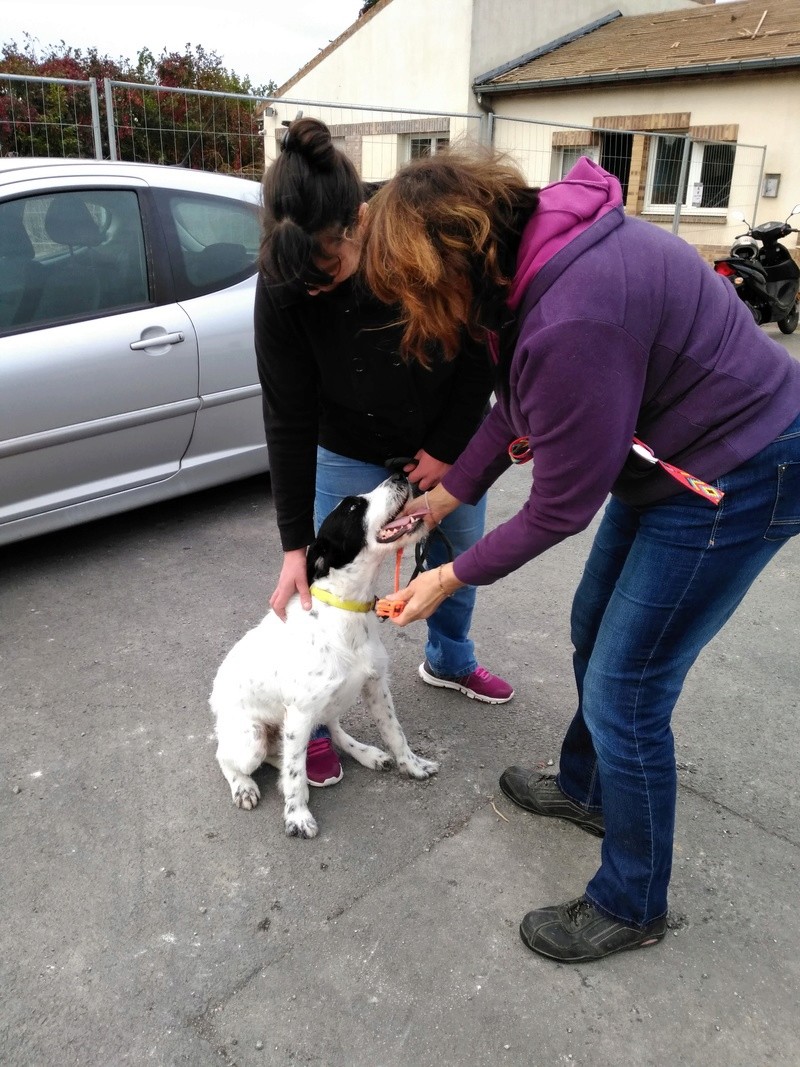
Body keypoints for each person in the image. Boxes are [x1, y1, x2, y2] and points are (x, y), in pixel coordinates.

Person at [361, 146, 800, 963]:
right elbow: (513, 405)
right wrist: (446, 497)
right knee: (594, 625)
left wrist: (449, 575)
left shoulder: (573, 316)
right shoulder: (528, 265)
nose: (423, 317)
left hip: (738, 469)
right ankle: (588, 787)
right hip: (677, 462)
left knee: (628, 688)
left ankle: (632, 899)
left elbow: (563, 502)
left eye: (419, 294)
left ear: (453, 260)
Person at [254, 118, 514, 788]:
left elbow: (477, 340)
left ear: (359, 221)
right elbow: (286, 415)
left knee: (459, 552)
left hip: (438, 441)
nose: (316, 293)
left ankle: (450, 657)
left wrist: (450, 450)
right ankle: (305, 714)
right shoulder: (285, 279)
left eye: (329, 273)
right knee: (328, 587)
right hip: (345, 446)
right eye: (302, 286)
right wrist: (292, 547)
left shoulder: (407, 243)